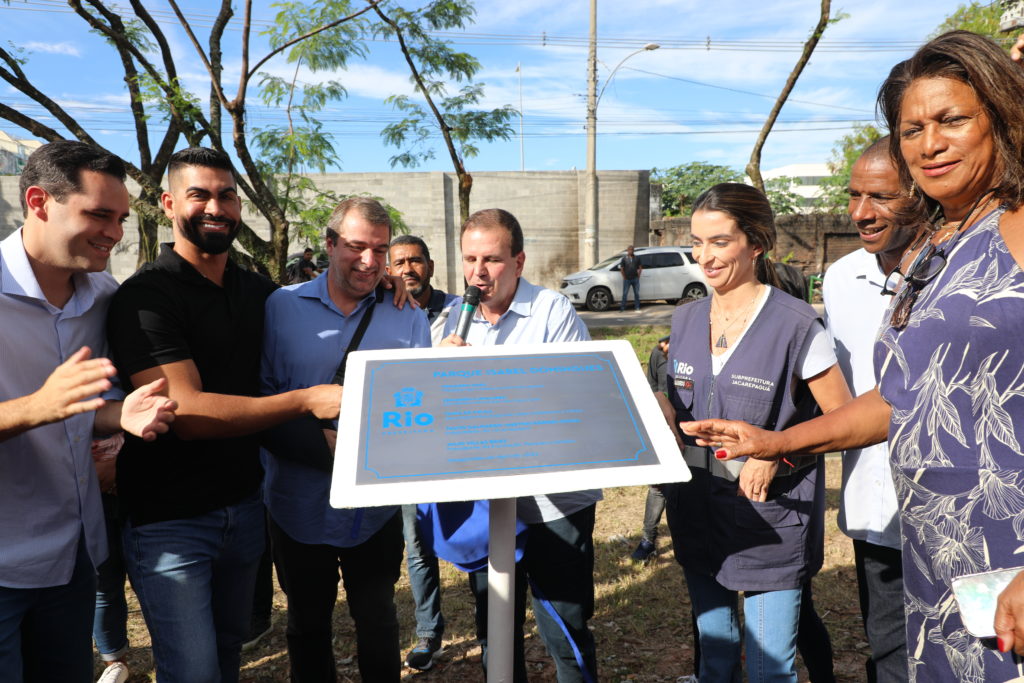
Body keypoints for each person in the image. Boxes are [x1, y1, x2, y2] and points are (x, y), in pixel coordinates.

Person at [682, 31, 1024, 681]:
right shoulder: (938, 248)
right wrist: (781, 440)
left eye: (952, 119)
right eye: (912, 128)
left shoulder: (1018, 223)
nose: (929, 143)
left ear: (1001, 118)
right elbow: (899, 397)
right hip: (943, 565)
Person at [106, 147, 343, 683]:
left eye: (228, 195)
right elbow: (184, 410)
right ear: (168, 204)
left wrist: (385, 284)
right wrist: (305, 400)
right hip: (171, 522)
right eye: (200, 195)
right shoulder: (144, 297)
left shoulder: (254, 289)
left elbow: (316, 303)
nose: (217, 207)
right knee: (192, 671)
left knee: (228, 654)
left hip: (244, 508)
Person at [658, 182, 852, 682]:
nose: (705, 256)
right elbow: (674, 396)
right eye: (697, 243)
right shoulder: (684, 319)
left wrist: (777, 453)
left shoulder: (796, 325)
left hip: (768, 521)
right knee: (716, 659)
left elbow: (843, 419)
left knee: (769, 669)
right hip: (697, 510)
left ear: (756, 243)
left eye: (719, 242)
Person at [0, 140, 176, 683]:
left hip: (75, 553)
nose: (115, 233)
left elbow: (81, 408)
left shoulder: (102, 294)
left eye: (121, 218)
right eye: (99, 214)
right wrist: (35, 407)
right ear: (38, 201)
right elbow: (48, 407)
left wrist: (117, 416)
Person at [260, 197, 430, 682]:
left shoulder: (406, 313)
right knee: (306, 623)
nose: (370, 262)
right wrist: (323, 450)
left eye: (380, 250)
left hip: (372, 511)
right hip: (296, 504)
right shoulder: (281, 307)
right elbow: (264, 400)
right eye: (356, 247)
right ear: (330, 244)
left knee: (378, 618)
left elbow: (421, 406)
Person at [439, 208, 601, 682]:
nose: (478, 272)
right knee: (495, 631)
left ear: (519, 261)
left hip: (555, 503)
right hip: (487, 505)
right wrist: (440, 372)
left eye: (491, 259)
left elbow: (574, 398)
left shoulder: (553, 312)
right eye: (470, 259)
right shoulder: (453, 318)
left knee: (564, 630)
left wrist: (483, 387)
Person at [823, 136, 919, 682]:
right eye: (854, 194)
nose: (861, 212)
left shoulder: (962, 273)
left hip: (956, 513)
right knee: (888, 648)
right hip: (873, 506)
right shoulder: (840, 279)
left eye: (880, 196)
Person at [386, 234, 457, 669]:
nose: (408, 268)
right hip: (410, 448)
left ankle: (492, 629)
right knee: (417, 545)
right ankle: (429, 633)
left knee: (479, 537)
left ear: (430, 266)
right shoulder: (382, 311)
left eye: (416, 261)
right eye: (400, 262)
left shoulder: (460, 310)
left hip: (458, 445)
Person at [630, 336, 670, 563]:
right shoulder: (660, 350)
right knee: (657, 487)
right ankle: (648, 540)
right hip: (664, 428)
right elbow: (651, 386)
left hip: (697, 431)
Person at [619, 245, 642, 312]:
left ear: (633, 251)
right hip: (627, 279)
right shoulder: (624, 259)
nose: (630, 251)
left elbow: (640, 268)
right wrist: (624, 277)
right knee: (625, 294)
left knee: (637, 293)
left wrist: (638, 276)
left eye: (632, 250)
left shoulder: (637, 258)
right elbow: (622, 269)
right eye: (629, 250)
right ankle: (622, 308)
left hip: (635, 278)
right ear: (627, 250)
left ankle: (637, 307)